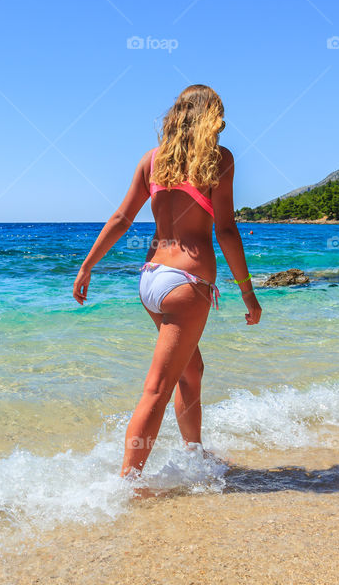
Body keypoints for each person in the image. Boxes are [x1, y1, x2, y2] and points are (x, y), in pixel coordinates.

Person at [72, 85, 261, 478]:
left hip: (151, 280)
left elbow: (121, 219)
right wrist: (248, 292)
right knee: (157, 389)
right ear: (210, 117)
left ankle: (195, 454)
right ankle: (127, 485)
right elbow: (226, 231)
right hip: (186, 285)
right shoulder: (218, 160)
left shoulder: (152, 160)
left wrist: (87, 266)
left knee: (191, 371)